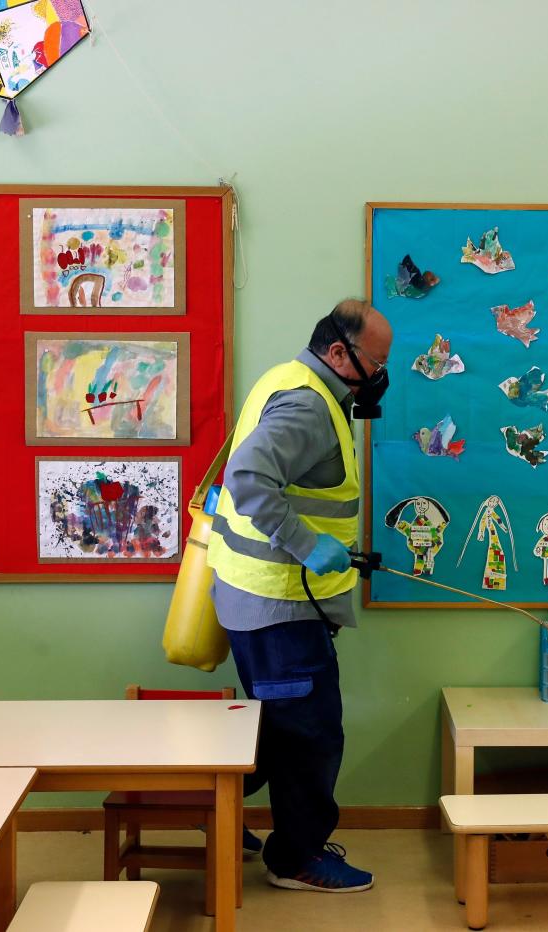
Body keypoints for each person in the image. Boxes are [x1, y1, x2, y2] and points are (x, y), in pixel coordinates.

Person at [207, 298, 392, 893]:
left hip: (257, 595)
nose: (381, 374)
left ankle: (215, 810)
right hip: (278, 604)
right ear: (338, 353)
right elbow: (248, 477)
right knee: (309, 733)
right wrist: (309, 546)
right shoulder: (308, 406)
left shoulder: (288, 378)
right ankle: (297, 858)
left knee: (273, 726)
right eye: (375, 361)